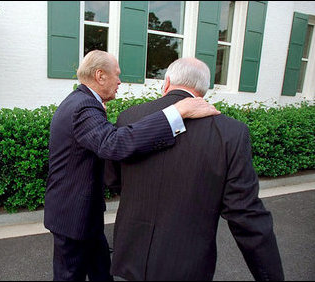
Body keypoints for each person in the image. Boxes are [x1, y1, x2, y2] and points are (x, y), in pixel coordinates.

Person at [43, 50, 221, 281]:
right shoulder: (83, 107)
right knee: (69, 276)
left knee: (101, 270)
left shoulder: (81, 102)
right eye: (116, 75)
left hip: (82, 213)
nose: (120, 81)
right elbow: (114, 144)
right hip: (73, 216)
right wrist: (177, 112)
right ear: (100, 76)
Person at [105, 57, 285, 281]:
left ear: (167, 82)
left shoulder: (129, 117)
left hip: (131, 256)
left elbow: (112, 179)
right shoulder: (231, 133)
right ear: (204, 91)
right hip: (187, 264)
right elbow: (244, 213)